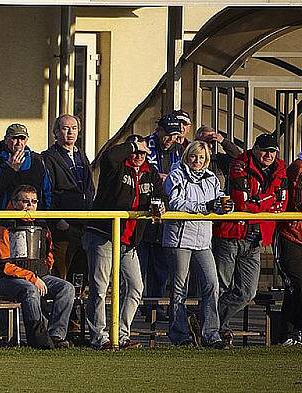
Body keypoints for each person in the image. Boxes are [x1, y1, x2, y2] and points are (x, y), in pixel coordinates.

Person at [83, 135, 164, 350]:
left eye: (142, 152)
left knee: (136, 287)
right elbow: (109, 156)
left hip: (129, 241)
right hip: (104, 235)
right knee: (100, 288)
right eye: (134, 151)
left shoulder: (150, 172)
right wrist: (132, 146)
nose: (138, 156)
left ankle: (121, 334)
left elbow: (161, 196)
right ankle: (99, 337)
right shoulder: (116, 167)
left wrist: (161, 205)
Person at [214, 133, 287, 346]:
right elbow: (242, 202)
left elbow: (280, 205)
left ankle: (209, 322)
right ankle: (214, 329)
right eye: (265, 150)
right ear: (254, 148)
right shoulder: (239, 164)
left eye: (272, 151)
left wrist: (260, 200)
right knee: (221, 286)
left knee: (247, 292)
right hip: (230, 234)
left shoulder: (279, 170)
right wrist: (268, 198)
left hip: (255, 238)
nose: (269, 155)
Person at [162, 141, 233, 349]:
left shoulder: (211, 178)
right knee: (179, 287)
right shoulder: (176, 174)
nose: (197, 161)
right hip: (179, 238)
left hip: (203, 239)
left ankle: (211, 333)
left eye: (202, 158)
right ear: (187, 156)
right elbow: (175, 202)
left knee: (212, 284)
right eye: (194, 156)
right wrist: (205, 207)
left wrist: (227, 205)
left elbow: (218, 200)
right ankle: (179, 333)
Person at [0, 185, 74, 349]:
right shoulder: (4, 226)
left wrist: (45, 270)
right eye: (25, 201)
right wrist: (33, 278)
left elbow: (49, 251)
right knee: (30, 290)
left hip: (40, 276)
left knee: (67, 288)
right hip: (10, 280)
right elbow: (5, 265)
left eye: (34, 202)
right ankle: (38, 338)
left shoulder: (42, 225)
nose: (30, 205)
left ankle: (56, 336)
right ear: (14, 203)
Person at [139, 113, 184, 319]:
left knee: (160, 268)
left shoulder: (179, 150)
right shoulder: (145, 145)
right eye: (167, 135)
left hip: (165, 216)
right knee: (138, 266)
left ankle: (154, 309)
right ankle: (132, 307)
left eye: (174, 136)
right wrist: (158, 177)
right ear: (159, 131)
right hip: (142, 213)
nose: (170, 140)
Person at [41, 115, 95, 280]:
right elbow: (47, 191)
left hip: (84, 222)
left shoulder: (82, 156)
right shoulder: (49, 157)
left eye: (74, 128)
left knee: (80, 273)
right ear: (56, 132)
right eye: (65, 128)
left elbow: (89, 187)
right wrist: (58, 219)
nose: (70, 132)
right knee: (61, 271)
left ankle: (77, 305)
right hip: (63, 225)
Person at [0, 123, 52, 210]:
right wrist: (10, 170)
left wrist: (47, 216)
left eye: (22, 138)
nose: (19, 143)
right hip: (5, 217)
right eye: (14, 138)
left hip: (34, 216)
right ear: (6, 140)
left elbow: (47, 191)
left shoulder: (37, 160)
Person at [278, 149, 302, 346]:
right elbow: (297, 203)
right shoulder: (298, 169)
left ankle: (288, 332)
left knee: (295, 287)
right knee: (296, 284)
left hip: (296, 233)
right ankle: (290, 332)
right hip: (292, 234)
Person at [195, 125, 243, 190]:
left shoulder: (218, 159)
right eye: (206, 141)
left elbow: (238, 156)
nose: (210, 145)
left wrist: (223, 141)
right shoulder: (191, 159)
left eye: (212, 141)